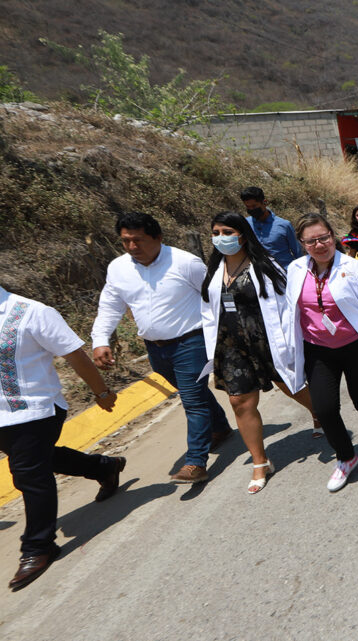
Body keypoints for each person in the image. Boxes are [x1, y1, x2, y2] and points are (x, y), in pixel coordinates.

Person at [92, 212, 233, 484]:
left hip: (191, 341)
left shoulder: (185, 263)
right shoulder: (118, 269)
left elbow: (212, 297)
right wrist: (100, 340)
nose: (133, 247)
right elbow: (110, 305)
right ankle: (221, 428)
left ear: (158, 237)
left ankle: (195, 463)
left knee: (192, 400)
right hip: (156, 348)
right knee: (192, 391)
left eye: (139, 240)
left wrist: (224, 336)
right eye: (126, 241)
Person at [1, 286, 122, 591]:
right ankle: (102, 467)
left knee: (29, 472)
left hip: (35, 410)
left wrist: (102, 392)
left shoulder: (31, 312)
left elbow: (75, 356)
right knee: (41, 459)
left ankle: (38, 547)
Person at [201, 212, 320, 494]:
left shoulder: (265, 267)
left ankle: (319, 412)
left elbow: (287, 306)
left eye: (227, 231)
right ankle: (260, 461)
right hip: (231, 345)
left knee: (288, 385)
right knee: (239, 401)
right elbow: (208, 311)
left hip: (266, 341)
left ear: (242, 235)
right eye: (215, 232)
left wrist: (292, 343)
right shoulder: (214, 271)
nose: (220, 237)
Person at [285, 213, 358, 492]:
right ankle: (346, 456)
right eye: (312, 241)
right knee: (324, 408)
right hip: (318, 350)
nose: (320, 245)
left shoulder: (352, 268)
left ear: (333, 236)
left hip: (354, 346)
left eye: (324, 237)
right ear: (302, 244)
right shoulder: (295, 269)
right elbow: (289, 312)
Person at [242, 186, 303, 269]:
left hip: (285, 273)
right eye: (248, 207)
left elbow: (297, 251)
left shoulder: (284, 225)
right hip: (259, 273)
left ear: (264, 202)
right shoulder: (245, 223)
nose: (251, 209)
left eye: (254, 206)